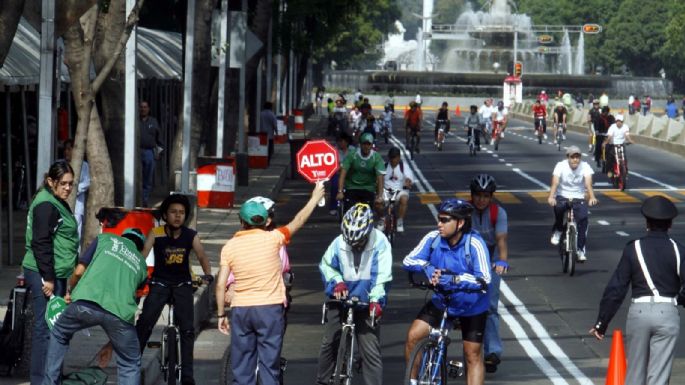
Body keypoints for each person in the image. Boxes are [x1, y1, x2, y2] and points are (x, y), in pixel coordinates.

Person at [216, 183, 325, 385]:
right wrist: (314, 198)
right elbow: (298, 220)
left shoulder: (230, 246)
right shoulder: (275, 238)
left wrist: (221, 314)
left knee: (242, 369)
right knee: (269, 366)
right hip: (270, 310)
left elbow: (221, 284)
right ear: (267, 221)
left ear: (241, 222)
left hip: (241, 310)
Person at [589, 196, 684, 385]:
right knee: (659, 376)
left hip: (639, 313)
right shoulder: (678, 249)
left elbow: (617, 288)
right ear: (670, 224)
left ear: (646, 223)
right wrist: (679, 300)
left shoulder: (634, 248)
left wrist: (602, 322)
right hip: (667, 311)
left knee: (635, 373)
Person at [43, 229, 148, 385]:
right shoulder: (141, 264)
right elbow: (132, 301)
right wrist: (111, 345)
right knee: (129, 363)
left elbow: (78, 272)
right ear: (139, 248)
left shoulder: (104, 239)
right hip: (119, 314)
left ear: (122, 237)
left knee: (59, 333)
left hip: (85, 303)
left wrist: (70, 292)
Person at [403, 199, 491, 385]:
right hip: (443, 301)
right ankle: (412, 381)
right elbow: (408, 260)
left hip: (472, 306)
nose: (439, 224)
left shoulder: (475, 243)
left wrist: (455, 279)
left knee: (472, 355)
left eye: (444, 220)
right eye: (438, 219)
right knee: (414, 336)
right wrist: (426, 267)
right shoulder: (433, 239)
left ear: (460, 223)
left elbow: (484, 279)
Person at [132, 194, 212, 385]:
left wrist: (208, 275)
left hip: (183, 285)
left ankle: (187, 376)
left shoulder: (191, 235)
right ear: (165, 215)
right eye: (173, 212)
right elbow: (143, 255)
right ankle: (131, 368)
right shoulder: (156, 232)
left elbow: (201, 256)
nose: (178, 216)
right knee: (144, 323)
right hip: (159, 284)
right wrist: (135, 275)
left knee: (187, 330)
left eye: (182, 213)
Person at [315, 203, 392, 385]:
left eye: (358, 242)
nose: (353, 245)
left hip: (367, 301)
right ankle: (322, 381)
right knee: (330, 341)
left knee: (370, 351)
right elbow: (326, 265)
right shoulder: (339, 242)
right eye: (350, 241)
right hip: (340, 297)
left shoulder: (380, 242)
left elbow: (382, 276)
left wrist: (376, 300)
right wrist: (337, 282)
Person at [22, 160, 78, 385]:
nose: (67, 188)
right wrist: (49, 279)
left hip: (56, 273)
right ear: (50, 182)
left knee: (56, 327)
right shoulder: (46, 204)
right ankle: (40, 380)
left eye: (71, 184)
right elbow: (41, 242)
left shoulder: (55, 200)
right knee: (45, 329)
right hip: (44, 273)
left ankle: (51, 377)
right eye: (63, 183)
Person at [469, 174, 509, 374]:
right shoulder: (464, 212)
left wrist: (502, 261)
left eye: (485, 196)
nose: (481, 200)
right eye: (478, 195)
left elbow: (501, 240)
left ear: (491, 196)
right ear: (472, 195)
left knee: (490, 306)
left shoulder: (498, 213)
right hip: (467, 259)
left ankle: (492, 351)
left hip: (491, 258)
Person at [547, 146, 599, 262]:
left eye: (577, 157)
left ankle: (580, 250)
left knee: (583, 220)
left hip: (579, 196)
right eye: (572, 157)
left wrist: (592, 197)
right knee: (558, 208)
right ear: (568, 157)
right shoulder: (560, 165)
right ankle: (559, 230)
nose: (575, 160)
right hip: (562, 195)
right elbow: (555, 183)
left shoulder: (585, 166)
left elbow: (588, 184)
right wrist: (551, 197)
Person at [336, 133, 385, 214]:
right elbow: (343, 173)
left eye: (368, 144)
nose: (366, 146)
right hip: (351, 187)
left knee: (367, 214)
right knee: (348, 212)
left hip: (368, 188)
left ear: (372, 145)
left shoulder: (376, 157)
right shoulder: (352, 155)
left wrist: (380, 196)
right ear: (360, 145)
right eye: (364, 144)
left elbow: (380, 177)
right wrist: (340, 191)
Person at [62, 139, 90, 238]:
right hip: (62, 204)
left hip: (77, 206)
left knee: (76, 234)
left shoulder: (84, 165)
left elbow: (87, 182)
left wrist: (74, 190)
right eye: (65, 149)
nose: (66, 152)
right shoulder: (60, 164)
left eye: (69, 149)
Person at [382, 147, 414, 232]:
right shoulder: (384, 166)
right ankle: (381, 219)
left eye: (395, 157)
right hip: (386, 192)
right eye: (391, 157)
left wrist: (408, 182)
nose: (393, 160)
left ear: (399, 157)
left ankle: (400, 221)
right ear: (389, 157)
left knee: (404, 199)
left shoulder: (404, 167)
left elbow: (409, 177)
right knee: (377, 203)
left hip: (400, 191)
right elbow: (378, 179)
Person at [139, 100, 163, 207]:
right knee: (137, 177)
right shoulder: (135, 121)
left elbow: (159, 138)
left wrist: (159, 151)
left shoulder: (153, 121)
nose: (143, 109)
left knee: (147, 178)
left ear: (148, 109)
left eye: (145, 107)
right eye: (141, 107)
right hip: (136, 152)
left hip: (149, 152)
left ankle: (144, 200)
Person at [328, 133, 356, 215]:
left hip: (350, 174)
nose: (341, 143)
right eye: (339, 141)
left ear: (347, 142)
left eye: (342, 141)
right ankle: (333, 207)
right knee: (334, 185)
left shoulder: (353, 150)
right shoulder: (334, 150)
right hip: (338, 173)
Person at [602, 114, 633, 180]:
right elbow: (609, 136)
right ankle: (610, 170)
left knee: (624, 159)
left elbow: (627, 135)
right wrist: (606, 142)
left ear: (622, 122)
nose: (619, 123)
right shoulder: (612, 127)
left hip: (621, 145)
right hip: (612, 145)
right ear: (615, 121)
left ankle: (625, 173)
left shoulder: (625, 127)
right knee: (610, 158)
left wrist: (630, 140)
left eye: (620, 121)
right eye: (617, 121)